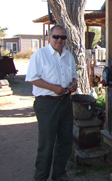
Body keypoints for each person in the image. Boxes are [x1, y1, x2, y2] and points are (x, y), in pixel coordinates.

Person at [26, 25, 78, 181]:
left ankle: (59, 174)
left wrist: (74, 84)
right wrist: (53, 88)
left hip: (65, 102)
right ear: (49, 37)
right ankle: (40, 177)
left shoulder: (69, 56)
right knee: (47, 143)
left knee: (65, 141)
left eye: (63, 38)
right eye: (56, 37)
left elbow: (74, 75)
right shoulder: (40, 55)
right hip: (47, 104)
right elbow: (32, 78)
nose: (59, 40)